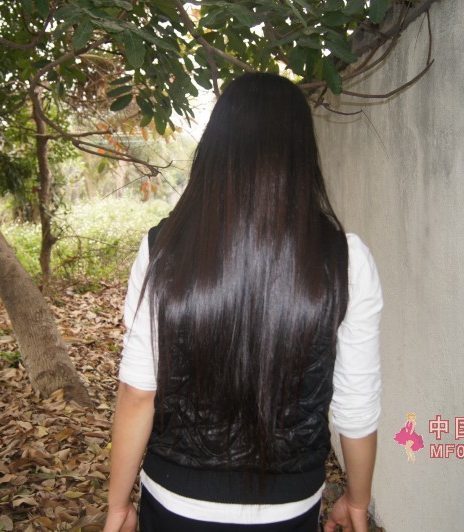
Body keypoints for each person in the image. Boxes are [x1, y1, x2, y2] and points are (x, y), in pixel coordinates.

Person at [104, 72, 383, 532]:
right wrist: (357, 499)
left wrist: (117, 505)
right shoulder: (346, 260)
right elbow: (356, 406)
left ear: (215, 150)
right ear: (302, 156)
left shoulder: (162, 249)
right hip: (289, 504)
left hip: (175, 498)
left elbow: (138, 393)